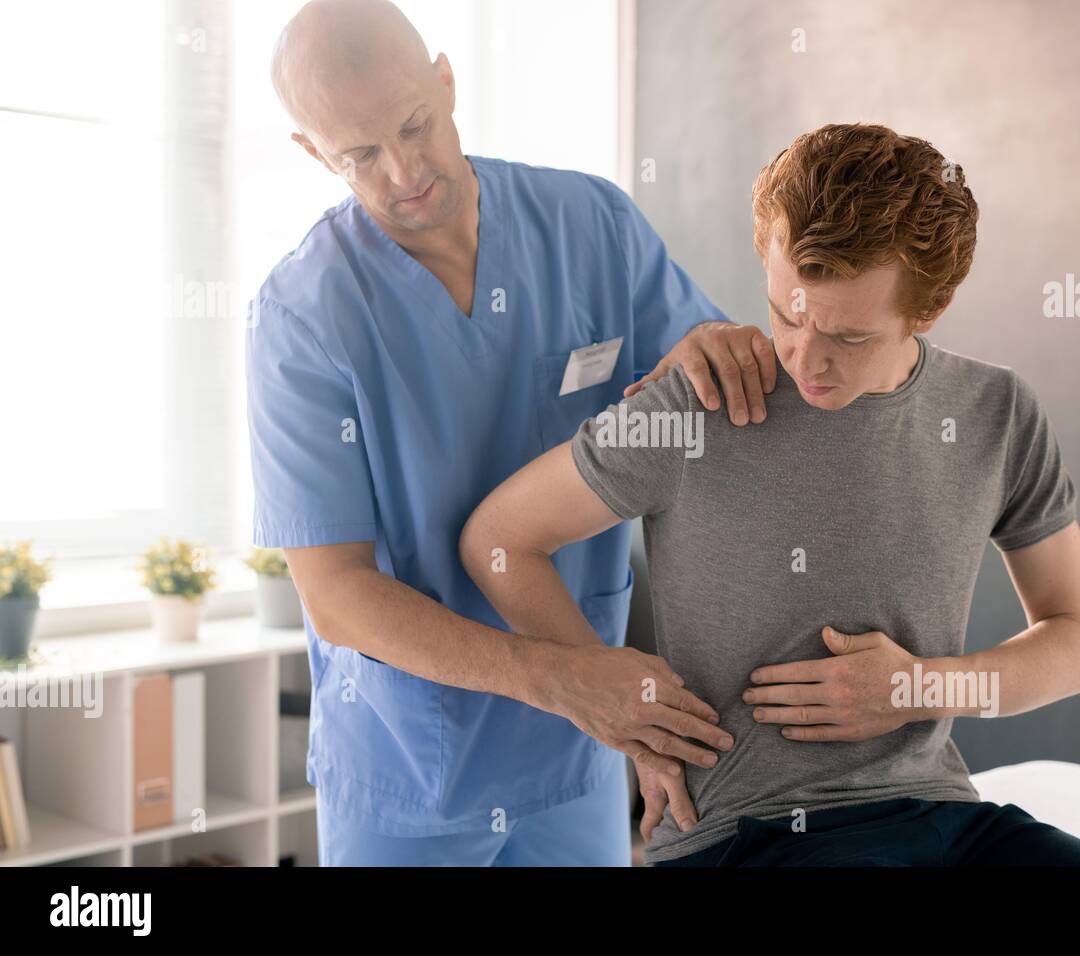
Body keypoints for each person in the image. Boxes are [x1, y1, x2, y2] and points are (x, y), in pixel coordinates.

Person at [461, 122, 1080, 866]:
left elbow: (1078, 641)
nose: (806, 362)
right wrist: (606, 705)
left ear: (928, 311)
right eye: (787, 314)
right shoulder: (697, 404)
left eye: (848, 339)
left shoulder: (996, 412)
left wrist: (916, 690)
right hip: (752, 836)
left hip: (946, 817)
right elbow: (499, 540)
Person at [245, 0, 772, 866]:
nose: (404, 169)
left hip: (575, 752)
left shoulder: (591, 226)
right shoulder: (303, 318)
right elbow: (335, 593)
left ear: (446, 82)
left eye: (415, 124)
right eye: (360, 155)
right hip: (411, 768)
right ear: (312, 152)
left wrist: (722, 355)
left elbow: (702, 388)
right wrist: (557, 677)